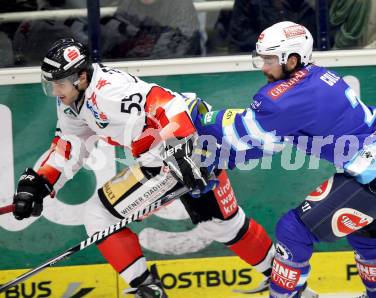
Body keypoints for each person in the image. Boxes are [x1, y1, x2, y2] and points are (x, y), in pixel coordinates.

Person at [11, 38, 275, 297]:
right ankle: (288, 282)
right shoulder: (72, 101)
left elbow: (167, 104)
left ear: (80, 77)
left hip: (182, 146)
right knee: (222, 225)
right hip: (178, 147)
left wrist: (181, 148)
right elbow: (71, 144)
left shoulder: (108, 92)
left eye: (59, 84)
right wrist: (39, 183)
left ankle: (148, 291)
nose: (55, 92)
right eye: (52, 85)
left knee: (99, 216)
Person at [195, 21, 376, 298]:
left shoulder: (283, 98)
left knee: (292, 230)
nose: (264, 67)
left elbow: (235, 132)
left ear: (292, 59)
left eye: (269, 60)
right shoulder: (317, 76)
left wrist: (193, 114)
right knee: (366, 236)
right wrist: (224, 157)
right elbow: (269, 142)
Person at [225, 0, 316, 53]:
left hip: (296, 59)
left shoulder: (302, 4)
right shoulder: (249, 2)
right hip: (257, 59)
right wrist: (273, 45)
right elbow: (239, 37)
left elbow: (314, 36)